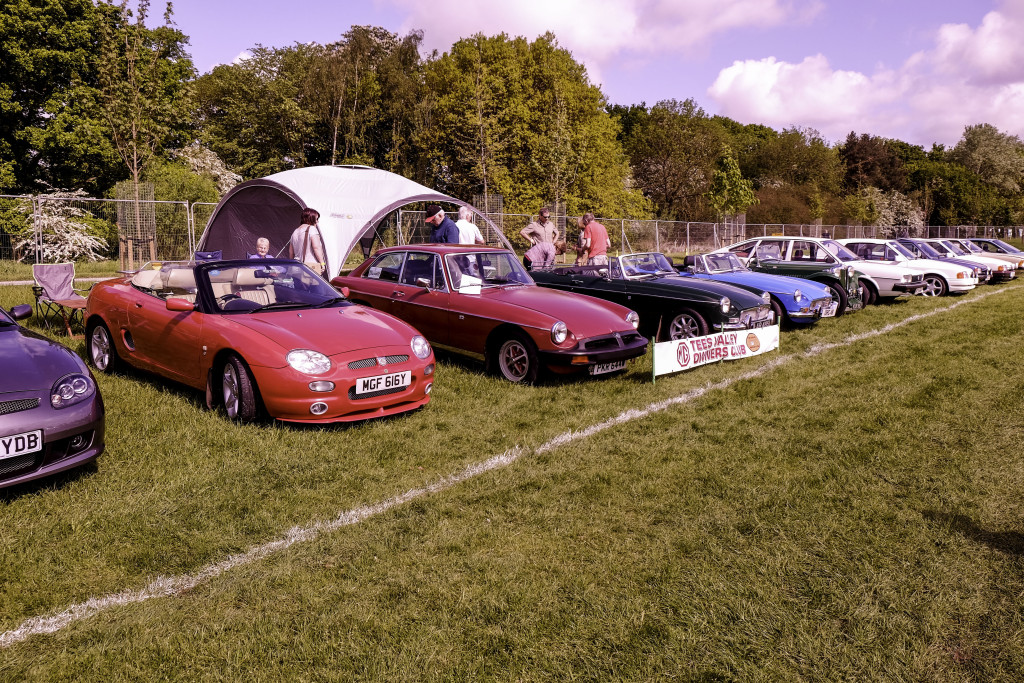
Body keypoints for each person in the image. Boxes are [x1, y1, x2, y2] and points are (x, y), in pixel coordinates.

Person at [288, 208, 327, 275]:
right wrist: (322, 263)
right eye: (316, 219)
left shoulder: (295, 231)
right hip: (310, 267)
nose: (317, 221)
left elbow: (291, 252)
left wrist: (292, 265)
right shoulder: (312, 229)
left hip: (297, 266)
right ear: (311, 218)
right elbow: (316, 248)